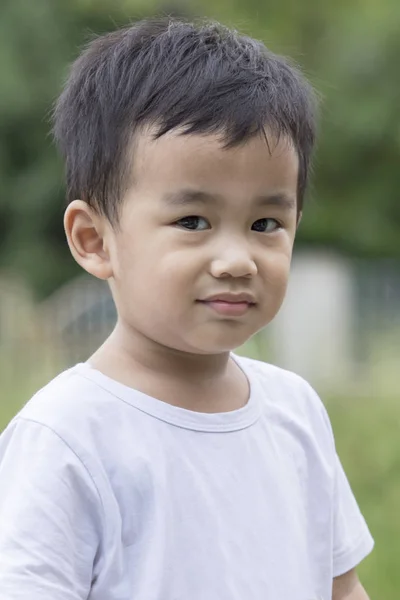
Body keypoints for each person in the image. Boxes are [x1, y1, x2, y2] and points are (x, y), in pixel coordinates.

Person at [0, 17, 373, 600]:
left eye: (265, 223)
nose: (236, 259)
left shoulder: (294, 412)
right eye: (192, 221)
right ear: (95, 240)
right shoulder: (67, 437)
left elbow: (341, 589)